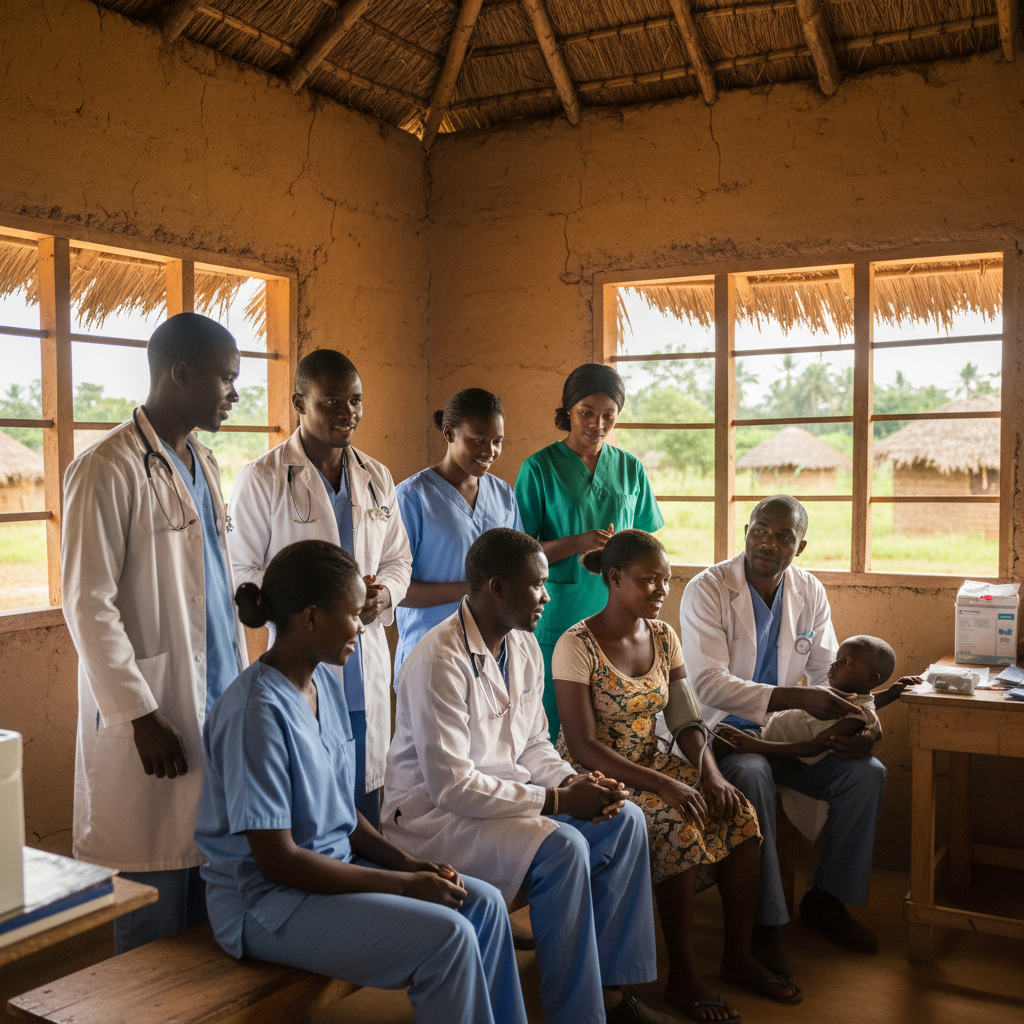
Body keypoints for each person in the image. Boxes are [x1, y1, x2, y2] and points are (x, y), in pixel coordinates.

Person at [194, 540, 525, 1024]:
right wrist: (403, 886)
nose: (362, 625)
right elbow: (279, 863)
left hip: (329, 876)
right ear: (310, 618)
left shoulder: (321, 682)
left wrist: (412, 864)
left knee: (486, 904)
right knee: (447, 938)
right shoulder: (255, 714)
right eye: (352, 614)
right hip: (270, 905)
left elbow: (343, 818)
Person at [384, 528, 678, 1024]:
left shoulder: (521, 646)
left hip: (511, 799)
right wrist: (557, 803)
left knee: (624, 821)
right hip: (434, 817)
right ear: (496, 588)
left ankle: (612, 991)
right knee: (563, 849)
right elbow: (452, 786)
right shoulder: (439, 660)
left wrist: (573, 784)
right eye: (536, 585)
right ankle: (577, 1013)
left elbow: (535, 743)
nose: (546, 596)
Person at [556, 530, 802, 1022]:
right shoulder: (576, 645)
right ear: (614, 578)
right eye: (648, 581)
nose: (661, 591)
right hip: (597, 774)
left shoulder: (664, 636)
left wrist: (709, 774)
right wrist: (666, 784)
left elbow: (687, 720)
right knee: (675, 825)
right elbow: (583, 745)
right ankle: (684, 976)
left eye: (666, 581)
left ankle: (736, 956)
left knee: (739, 814)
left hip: (652, 762)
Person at [62, 313, 248, 953]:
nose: (234, 393)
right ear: (180, 374)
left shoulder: (206, 463)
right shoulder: (105, 467)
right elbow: (87, 604)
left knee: (206, 914)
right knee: (150, 919)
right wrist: (139, 714)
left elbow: (206, 583)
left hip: (214, 700)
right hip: (154, 714)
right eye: (226, 379)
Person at [680, 495, 886, 975]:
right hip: (723, 734)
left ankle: (827, 901)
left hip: (794, 732)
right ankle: (764, 923)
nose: (767, 543)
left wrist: (858, 729)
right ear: (746, 530)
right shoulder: (708, 589)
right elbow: (707, 683)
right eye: (759, 530)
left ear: (802, 545)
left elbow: (829, 672)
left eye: (783, 535)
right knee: (751, 775)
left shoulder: (808, 590)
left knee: (866, 774)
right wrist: (796, 699)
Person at [228, 349, 411, 829]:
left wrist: (382, 596)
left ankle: (366, 900)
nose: (347, 412)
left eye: (355, 400)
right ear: (299, 402)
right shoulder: (263, 478)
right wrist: (293, 610)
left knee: (362, 809)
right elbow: (241, 568)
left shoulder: (377, 478)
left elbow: (398, 559)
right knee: (310, 812)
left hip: (362, 665)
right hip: (302, 663)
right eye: (331, 402)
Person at [515, 362, 664, 740]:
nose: (597, 424)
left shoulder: (630, 468)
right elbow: (519, 555)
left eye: (608, 416)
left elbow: (645, 548)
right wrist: (577, 543)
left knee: (613, 728)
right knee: (548, 728)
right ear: (568, 410)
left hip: (618, 618)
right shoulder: (539, 468)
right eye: (587, 413)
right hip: (557, 615)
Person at [394, 388, 521, 674]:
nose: (490, 451)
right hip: (430, 653)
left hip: (493, 655)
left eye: (497, 441)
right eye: (478, 439)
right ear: (449, 433)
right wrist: (475, 591)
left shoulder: (503, 494)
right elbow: (396, 589)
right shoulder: (412, 497)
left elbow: (517, 569)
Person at [718, 636, 920, 765]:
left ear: (871, 679)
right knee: (716, 737)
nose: (834, 665)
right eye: (837, 658)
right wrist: (892, 693)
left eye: (846, 662)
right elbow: (865, 703)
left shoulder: (857, 717)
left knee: (721, 742)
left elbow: (814, 747)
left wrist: (756, 745)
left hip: (779, 753)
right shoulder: (854, 699)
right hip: (766, 734)